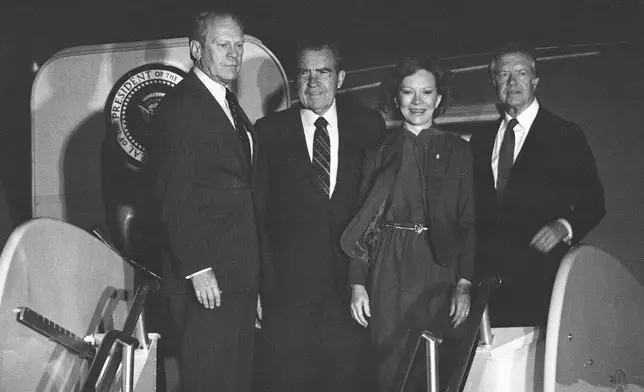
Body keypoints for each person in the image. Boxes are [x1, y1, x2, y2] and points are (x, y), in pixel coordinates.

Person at [253, 41, 387, 392]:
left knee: (349, 380)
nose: (313, 81)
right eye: (304, 72)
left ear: (340, 78)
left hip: (351, 291)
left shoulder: (369, 126)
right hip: (288, 293)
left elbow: (380, 210)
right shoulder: (269, 131)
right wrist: (260, 287)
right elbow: (258, 214)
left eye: (323, 71)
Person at [147, 10, 268, 392]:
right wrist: (198, 269)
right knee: (209, 380)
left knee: (235, 379)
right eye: (223, 44)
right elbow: (173, 195)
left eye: (239, 44)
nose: (234, 53)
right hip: (206, 279)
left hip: (238, 275)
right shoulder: (180, 107)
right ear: (196, 49)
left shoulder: (228, 104)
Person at [341, 56, 476, 392]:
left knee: (434, 365)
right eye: (408, 92)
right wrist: (357, 282)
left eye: (426, 92)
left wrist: (464, 283)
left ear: (439, 99)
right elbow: (363, 222)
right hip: (388, 266)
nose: (417, 102)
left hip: (437, 266)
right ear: (396, 98)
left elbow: (468, 221)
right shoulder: (377, 150)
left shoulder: (459, 150)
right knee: (390, 364)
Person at [469, 42, 605, 326]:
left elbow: (593, 203)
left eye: (520, 73)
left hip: (539, 278)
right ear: (494, 82)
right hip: (487, 284)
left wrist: (562, 226)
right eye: (504, 74)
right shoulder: (480, 139)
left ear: (535, 81)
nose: (512, 81)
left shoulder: (564, 134)